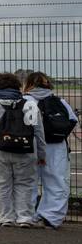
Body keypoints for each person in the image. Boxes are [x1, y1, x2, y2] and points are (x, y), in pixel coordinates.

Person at [0, 72, 46, 227]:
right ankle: (25, 217)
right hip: (26, 150)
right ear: (18, 86)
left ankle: (6, 217)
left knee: (1, 184)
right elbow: (39, 131)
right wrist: (41, 153)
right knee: (25, 183)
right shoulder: (30, 104)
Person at [24, 72, 78, 229]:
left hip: (30, 146)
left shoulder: (26, 101)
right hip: (56, 145)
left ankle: (27, 215)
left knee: (28, 181)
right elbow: (72, 119)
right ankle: (51, 217)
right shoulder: (58, 101)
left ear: (28, 84)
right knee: (57, 181)